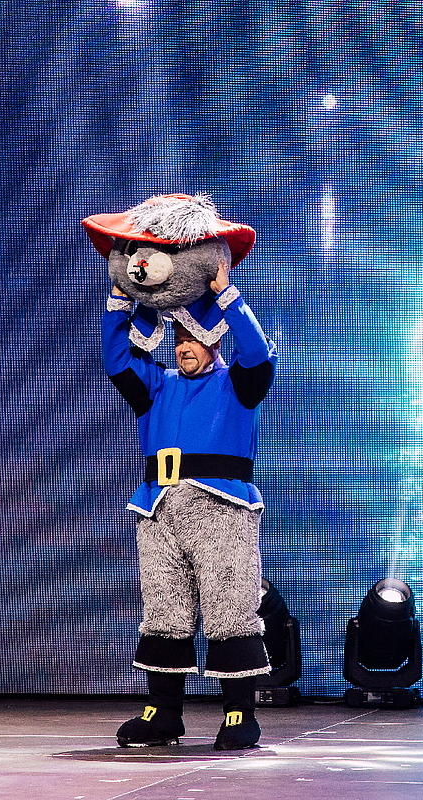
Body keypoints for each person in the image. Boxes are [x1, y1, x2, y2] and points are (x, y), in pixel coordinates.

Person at [101, 247, 277, 750]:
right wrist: (121, 301)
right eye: (177, 338)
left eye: (192, 337)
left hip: (221, 509)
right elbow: (116, 359)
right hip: (158, 508)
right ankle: (162, 714)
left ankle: (240, 713)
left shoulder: (237, 384)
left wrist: (226, 296)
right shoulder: (157, 386)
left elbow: (258, 352)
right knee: (164, 611)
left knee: (229, 607)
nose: (183, 346)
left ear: (214, 340)